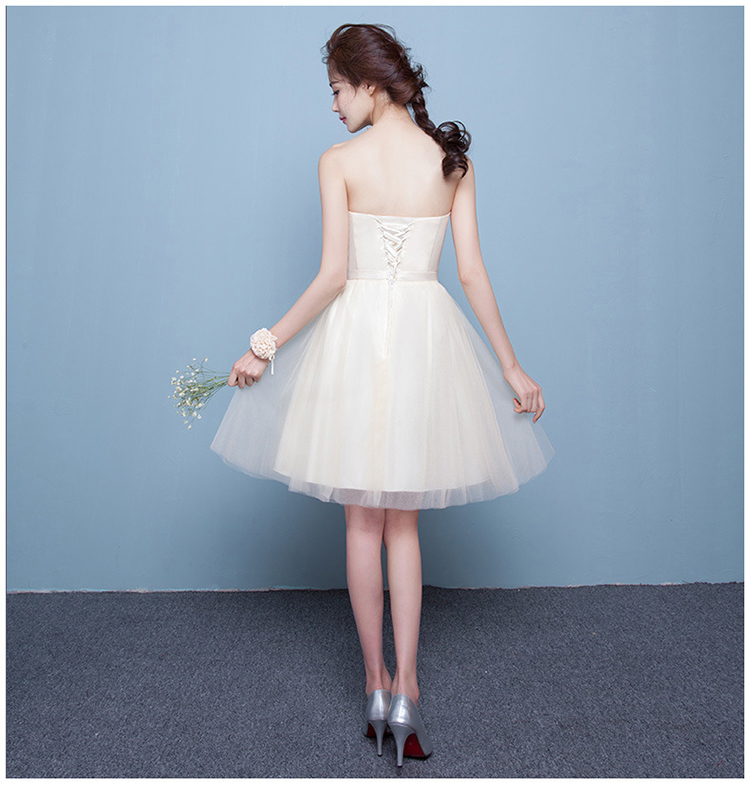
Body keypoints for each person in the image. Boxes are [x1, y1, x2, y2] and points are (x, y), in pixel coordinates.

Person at [210, 22, 554, 767]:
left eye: (337, 89)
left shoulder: (340, 162)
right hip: (427, 341)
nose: (333, 105)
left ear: (369, 84)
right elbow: (471, 274)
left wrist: (264, 345)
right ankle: (408, 690)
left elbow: (334, 276)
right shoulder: (451, 163)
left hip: (358, 342)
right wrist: (510, 366)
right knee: (405, 526)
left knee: (362, 523)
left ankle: (374, 686)